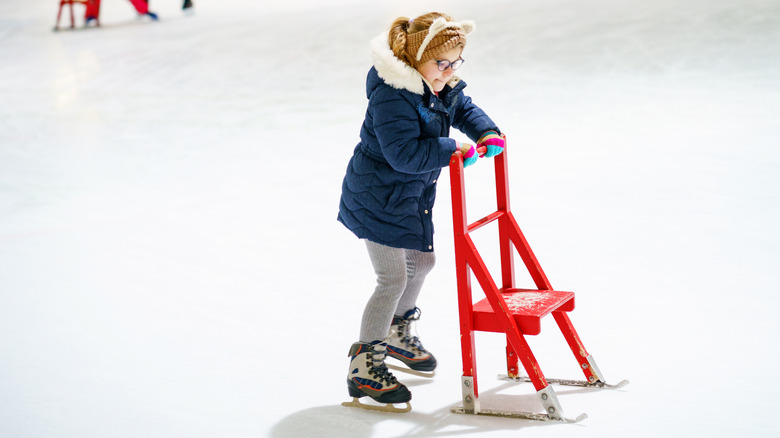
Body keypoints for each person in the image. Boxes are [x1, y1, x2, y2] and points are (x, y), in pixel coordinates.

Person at [337, 12, 505, 410]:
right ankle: (363, 367)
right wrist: (452, 149)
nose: (448, 72)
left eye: (455, 63)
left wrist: (486, 131)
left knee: (424, 263)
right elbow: (404, 155)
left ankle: (396, 334)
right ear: (416, 59)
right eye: (440, 63)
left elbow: (461, 106)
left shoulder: (437, 83)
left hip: (410, 197)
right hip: (377, 197)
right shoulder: (392, 93)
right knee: (391, 278)